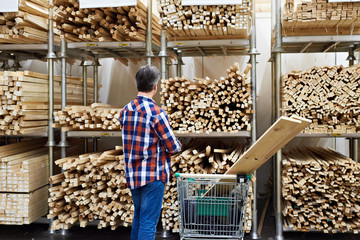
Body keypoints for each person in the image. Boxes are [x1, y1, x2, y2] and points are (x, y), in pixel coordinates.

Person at [119, 65, 182, 240]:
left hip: (133, 174)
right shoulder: (157, 113)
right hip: (153, 175)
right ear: (156, 87)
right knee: (148, 222)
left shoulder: (125, 111)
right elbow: (173, 147)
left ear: (137, 84)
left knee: (138, 217)